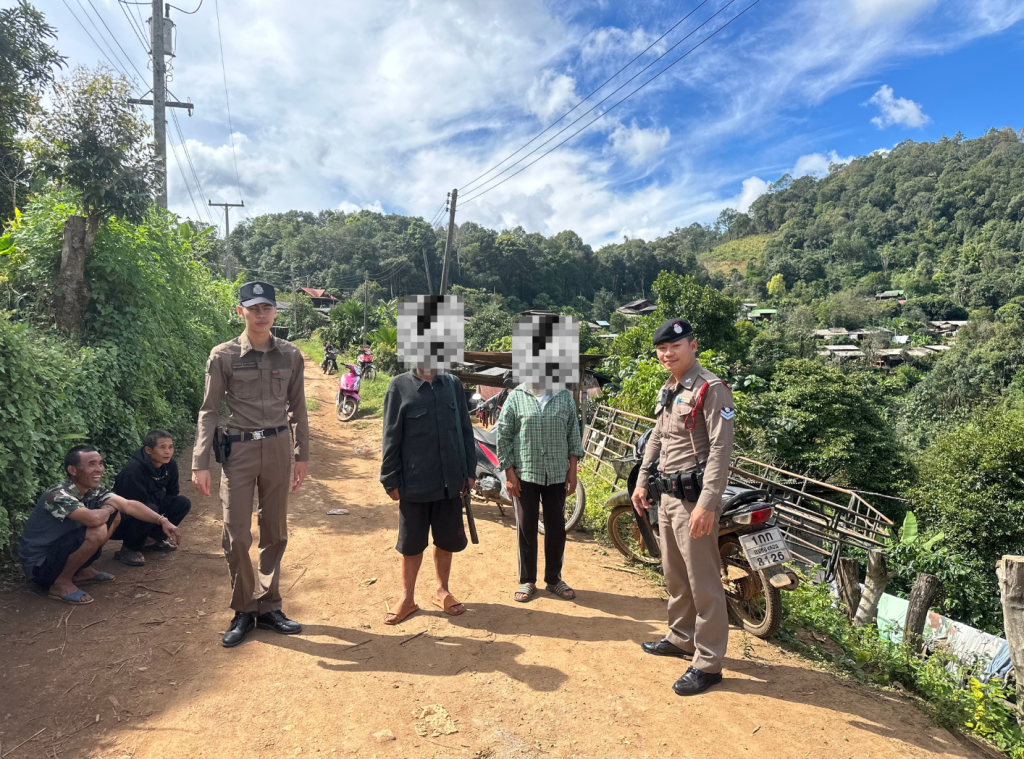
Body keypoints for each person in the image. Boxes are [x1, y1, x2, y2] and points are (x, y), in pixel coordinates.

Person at [192, 281, 310, 648]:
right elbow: (209, 411)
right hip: (239, 451)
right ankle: (244, 608)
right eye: (253, 308)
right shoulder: (223, 355)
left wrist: (302, 455)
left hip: (277, 448)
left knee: (275, 531)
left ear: (275, 311)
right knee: (237, 534)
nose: (261, 314)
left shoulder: (290, 355)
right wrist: (200, 462)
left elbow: (298, 408)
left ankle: (270, 606)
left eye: (267, 308)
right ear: (240, 311)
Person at [631, 318, 735, 696]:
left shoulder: (711, 388)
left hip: (695, 501)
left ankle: (708, 663)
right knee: (675, 575)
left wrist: (708, 503)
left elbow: (721, 449)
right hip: (667, 495)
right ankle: (681, 637)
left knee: (703, 583)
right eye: (662, 349)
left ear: (693, 345)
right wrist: (642, 480)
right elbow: (657, 437)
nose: (668, 353)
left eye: (675, 346)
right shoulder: (669, 388)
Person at [18, 446, 181, 605]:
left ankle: (80, 570)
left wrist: (162, 520)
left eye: (100, 463)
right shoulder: (57, 495)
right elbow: (93, 520)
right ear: (73, 470)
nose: (99, 469)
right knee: (98, 528)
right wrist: (109, 508)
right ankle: (60, 582)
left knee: (115, 515)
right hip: (40, 567)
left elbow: (128, 505)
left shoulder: (92, 490)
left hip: (60, 552)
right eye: (91, 464)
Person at [379, 365, 476, 625]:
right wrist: (389, 476)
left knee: (446, 539)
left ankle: (442, 591)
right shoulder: (399, 386)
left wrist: (469, 471)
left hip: (449, 481)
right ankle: (407, 599)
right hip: (414, 482)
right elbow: (391, 434)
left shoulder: (453, 385)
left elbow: (465, 429)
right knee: (411, 543)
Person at [497, 381, 583, 603]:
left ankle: (554, 579)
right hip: (525, 473)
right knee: (526, 527)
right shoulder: (516, 397)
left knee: (556, 528)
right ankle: (528, 580)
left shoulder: (563, 396)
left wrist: (572, 470)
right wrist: (509, 473)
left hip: (556, 473)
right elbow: (503, 435)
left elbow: (573, 434)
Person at [111, 429, 191, 566]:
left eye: (170, 447)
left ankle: (152, 540)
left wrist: (161, 509)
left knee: (182, 502)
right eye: (162, 447)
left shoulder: (170, 464)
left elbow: (173, 491)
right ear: (148, 450)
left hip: (152, 505)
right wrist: (158, 513)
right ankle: (129, 548)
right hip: (122, 520)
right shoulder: (133, 470)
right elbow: (134, 505)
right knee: (150, 508)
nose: (168, 452)